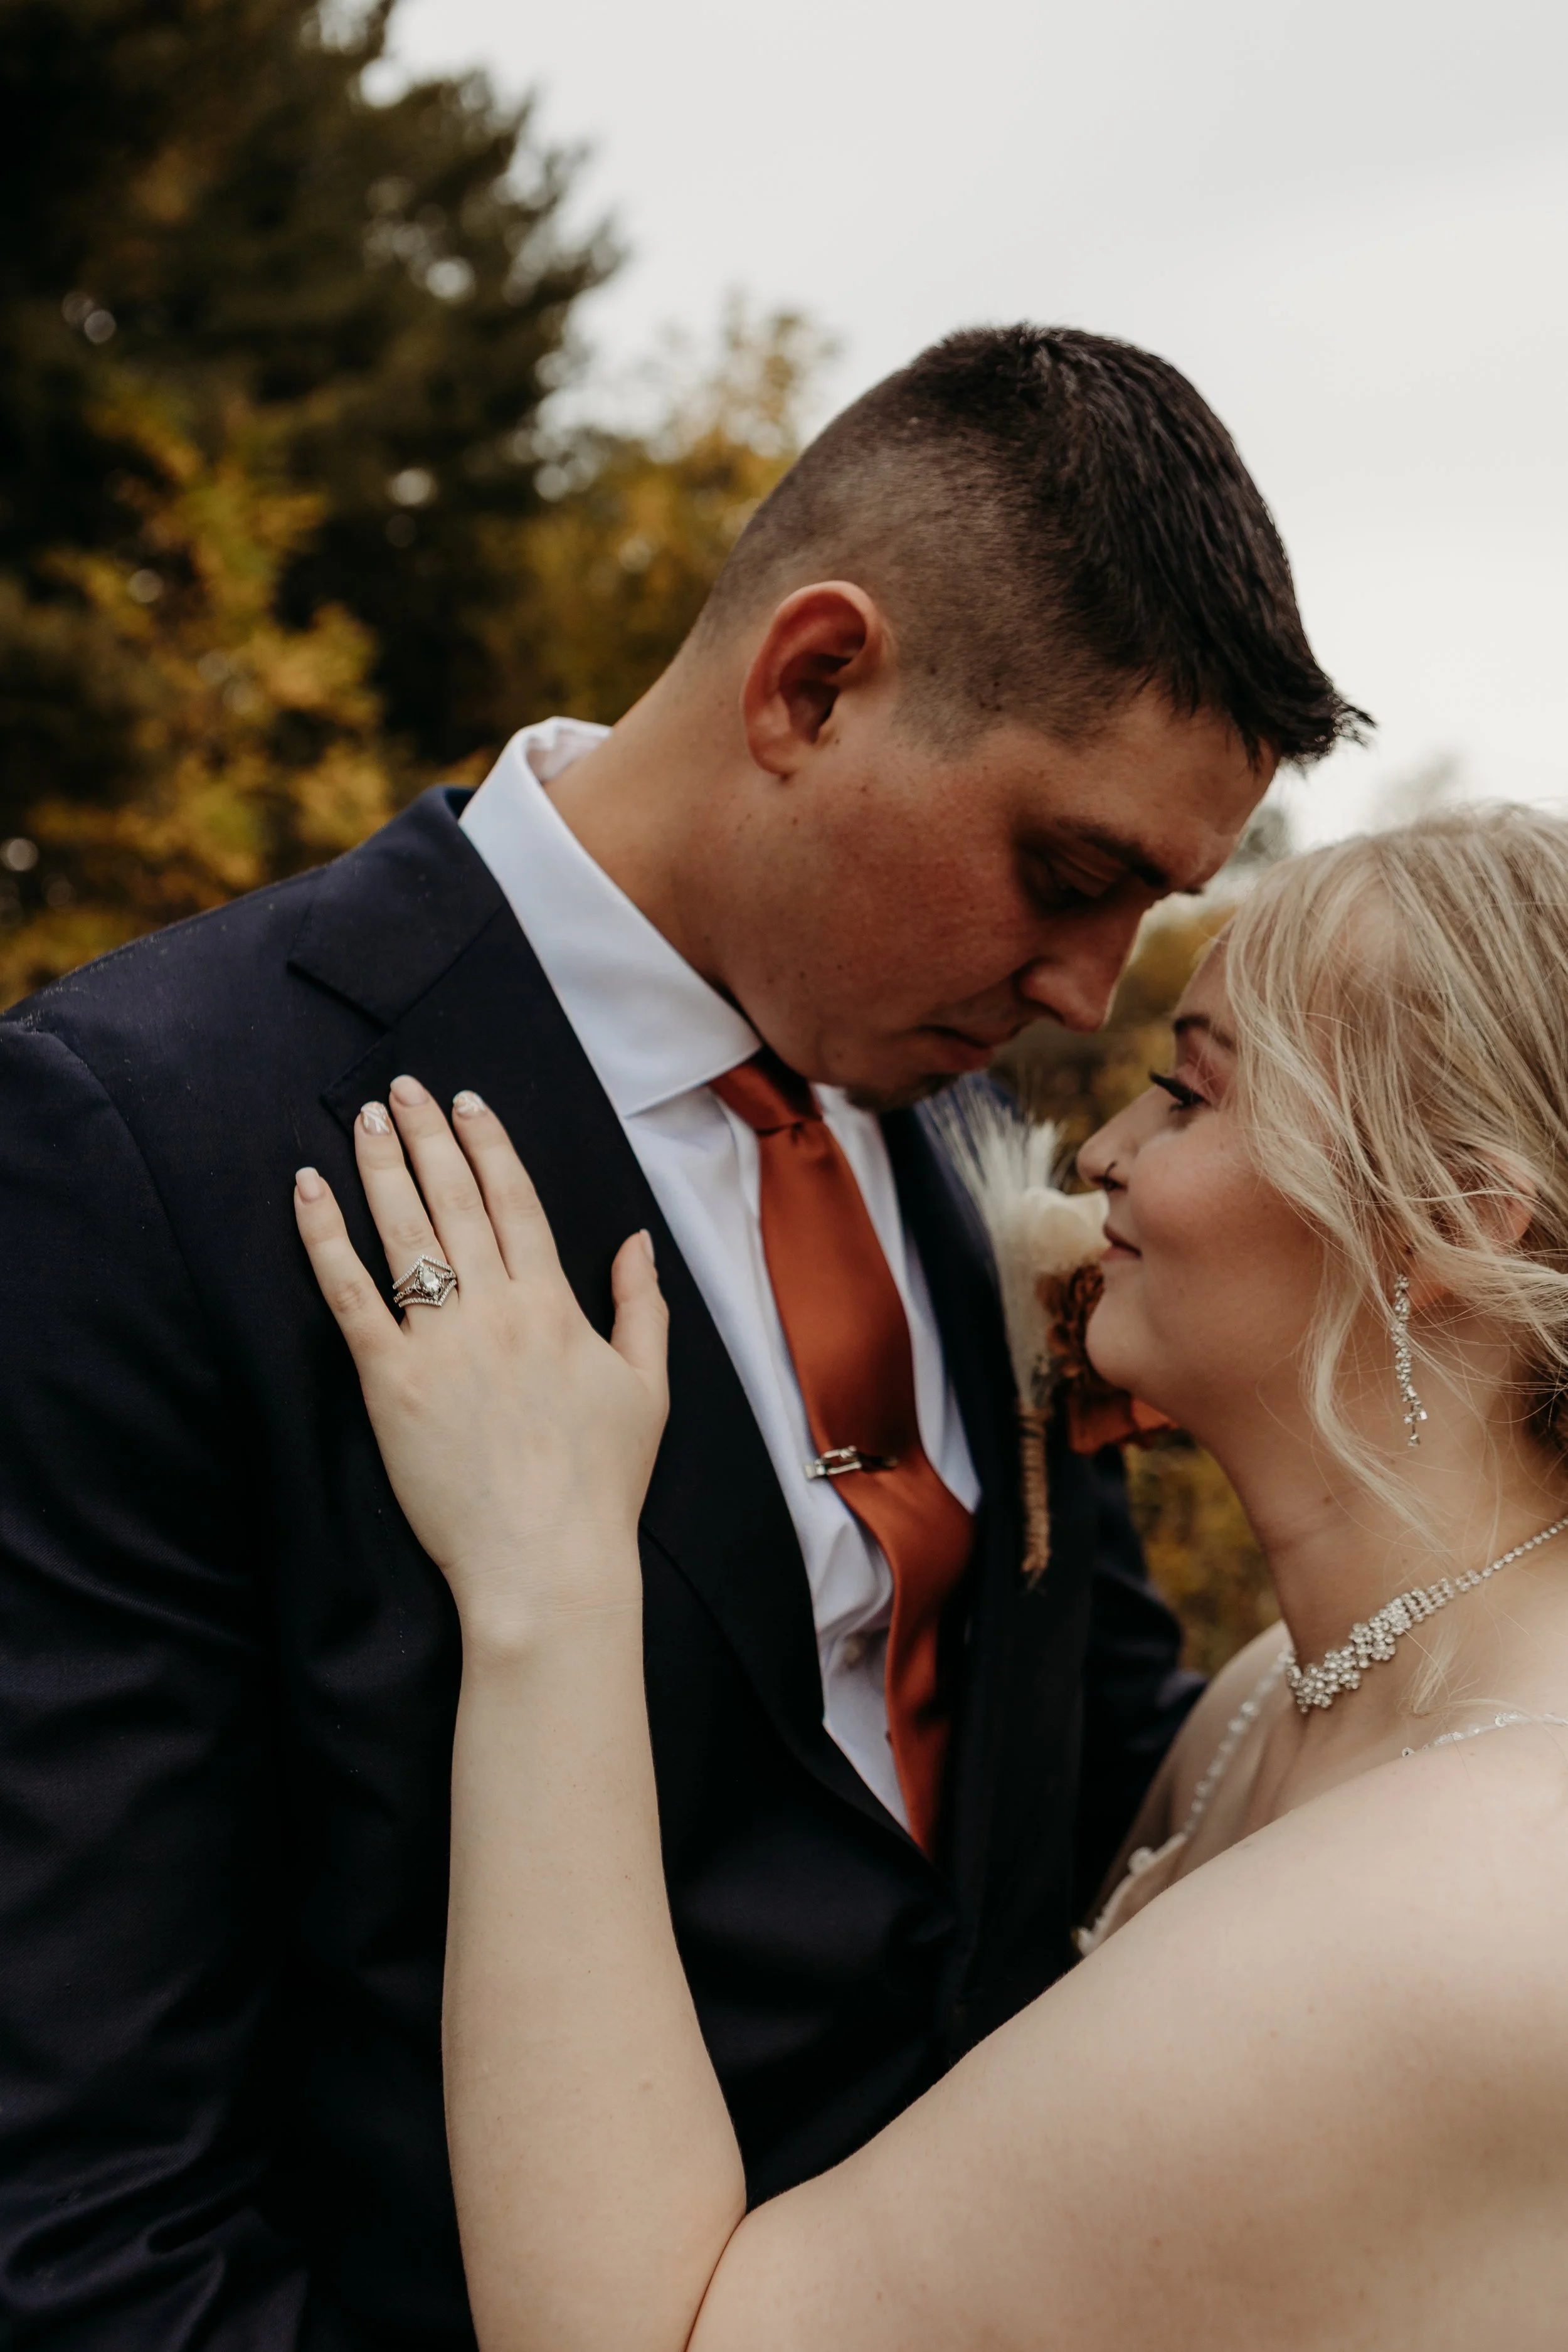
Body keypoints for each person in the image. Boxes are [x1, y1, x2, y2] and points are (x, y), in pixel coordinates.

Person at [0, 327, 1353, 2348]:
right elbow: (92, 2176)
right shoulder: (147, 1137)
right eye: (1066, 875)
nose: (1086, 994)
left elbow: (1070, 1762)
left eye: (1142, 907)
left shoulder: (961, 1105)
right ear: (812, 682)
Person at [300, 803, 1568, 2350]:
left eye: (1185, 1092)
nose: (1100, 1151)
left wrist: (546, 1576)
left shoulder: (1451, 1898)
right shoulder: (1281, 1698)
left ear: (1443, 1222)